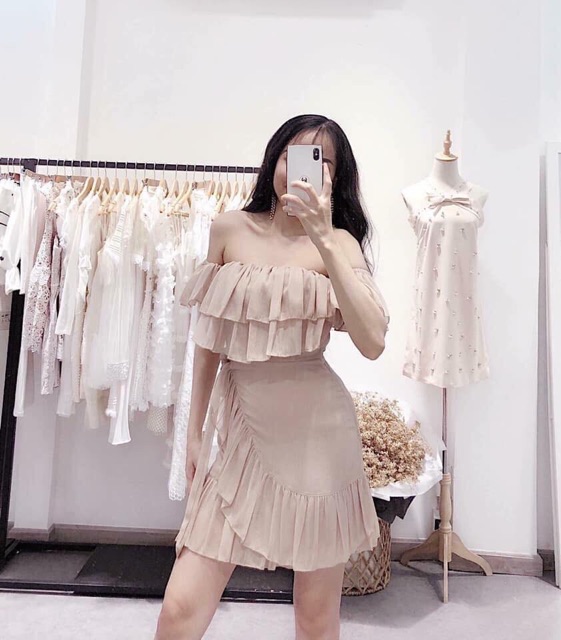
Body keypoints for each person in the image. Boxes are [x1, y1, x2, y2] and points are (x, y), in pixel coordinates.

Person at [154, 114, 390, 640]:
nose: (301, 168)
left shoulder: (341, 245)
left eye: (321, 160)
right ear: (274, 160)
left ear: (335, 177)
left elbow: (373, 341)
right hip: (243, 432)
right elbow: (209, 338)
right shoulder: (229, 229)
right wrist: (194, 433)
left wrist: (324, 238)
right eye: (292, 154)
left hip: (319, 441)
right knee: (180, 607)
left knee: (315, 617)